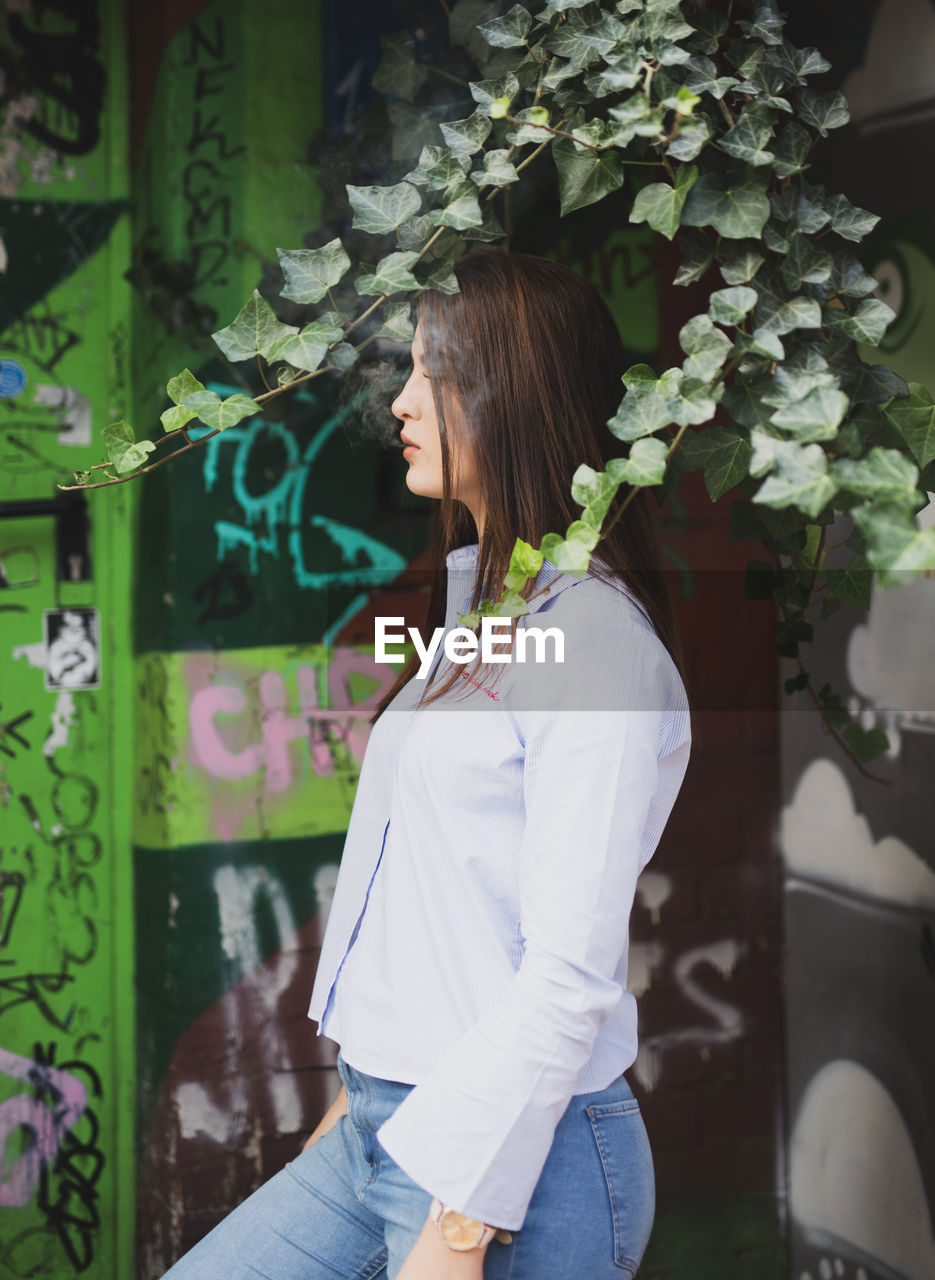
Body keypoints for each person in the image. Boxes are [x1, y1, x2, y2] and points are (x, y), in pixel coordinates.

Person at [159, 250, 692, 1280]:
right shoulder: (492, 622)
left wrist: (457, 1227)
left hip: (510, 1175)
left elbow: (565, 979)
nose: (402, 402)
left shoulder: (593, 646)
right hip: (384, 1127)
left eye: (430, 375)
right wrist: (355, 1103)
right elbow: (443, 908)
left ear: (511, 396)